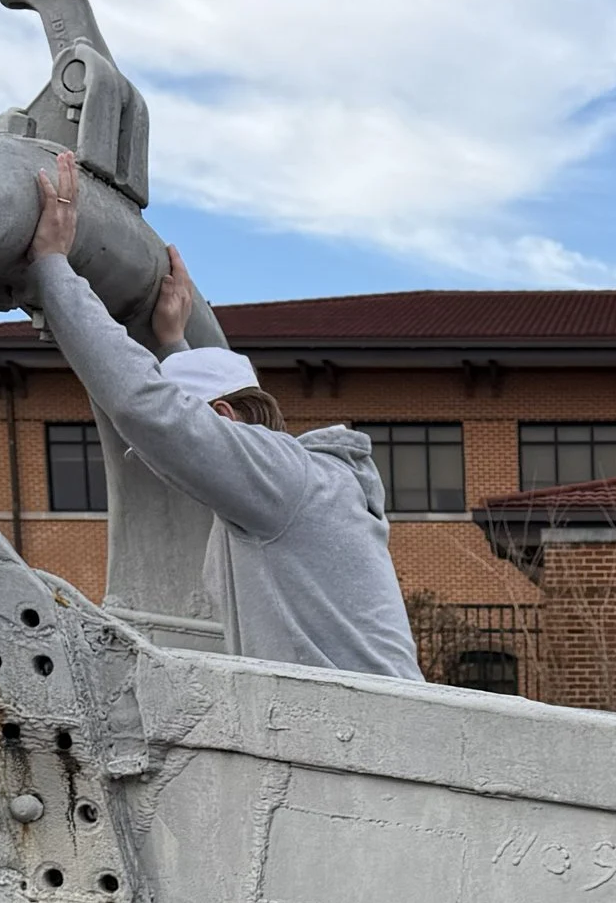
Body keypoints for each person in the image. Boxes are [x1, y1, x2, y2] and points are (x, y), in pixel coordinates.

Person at [22, 152, 421, 681]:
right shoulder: (301, 484)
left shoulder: (282, 477)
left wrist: (53, 270)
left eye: (203, 430)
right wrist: (175, 345)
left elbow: (147, 408)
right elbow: (186, 413)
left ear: (226, 416)